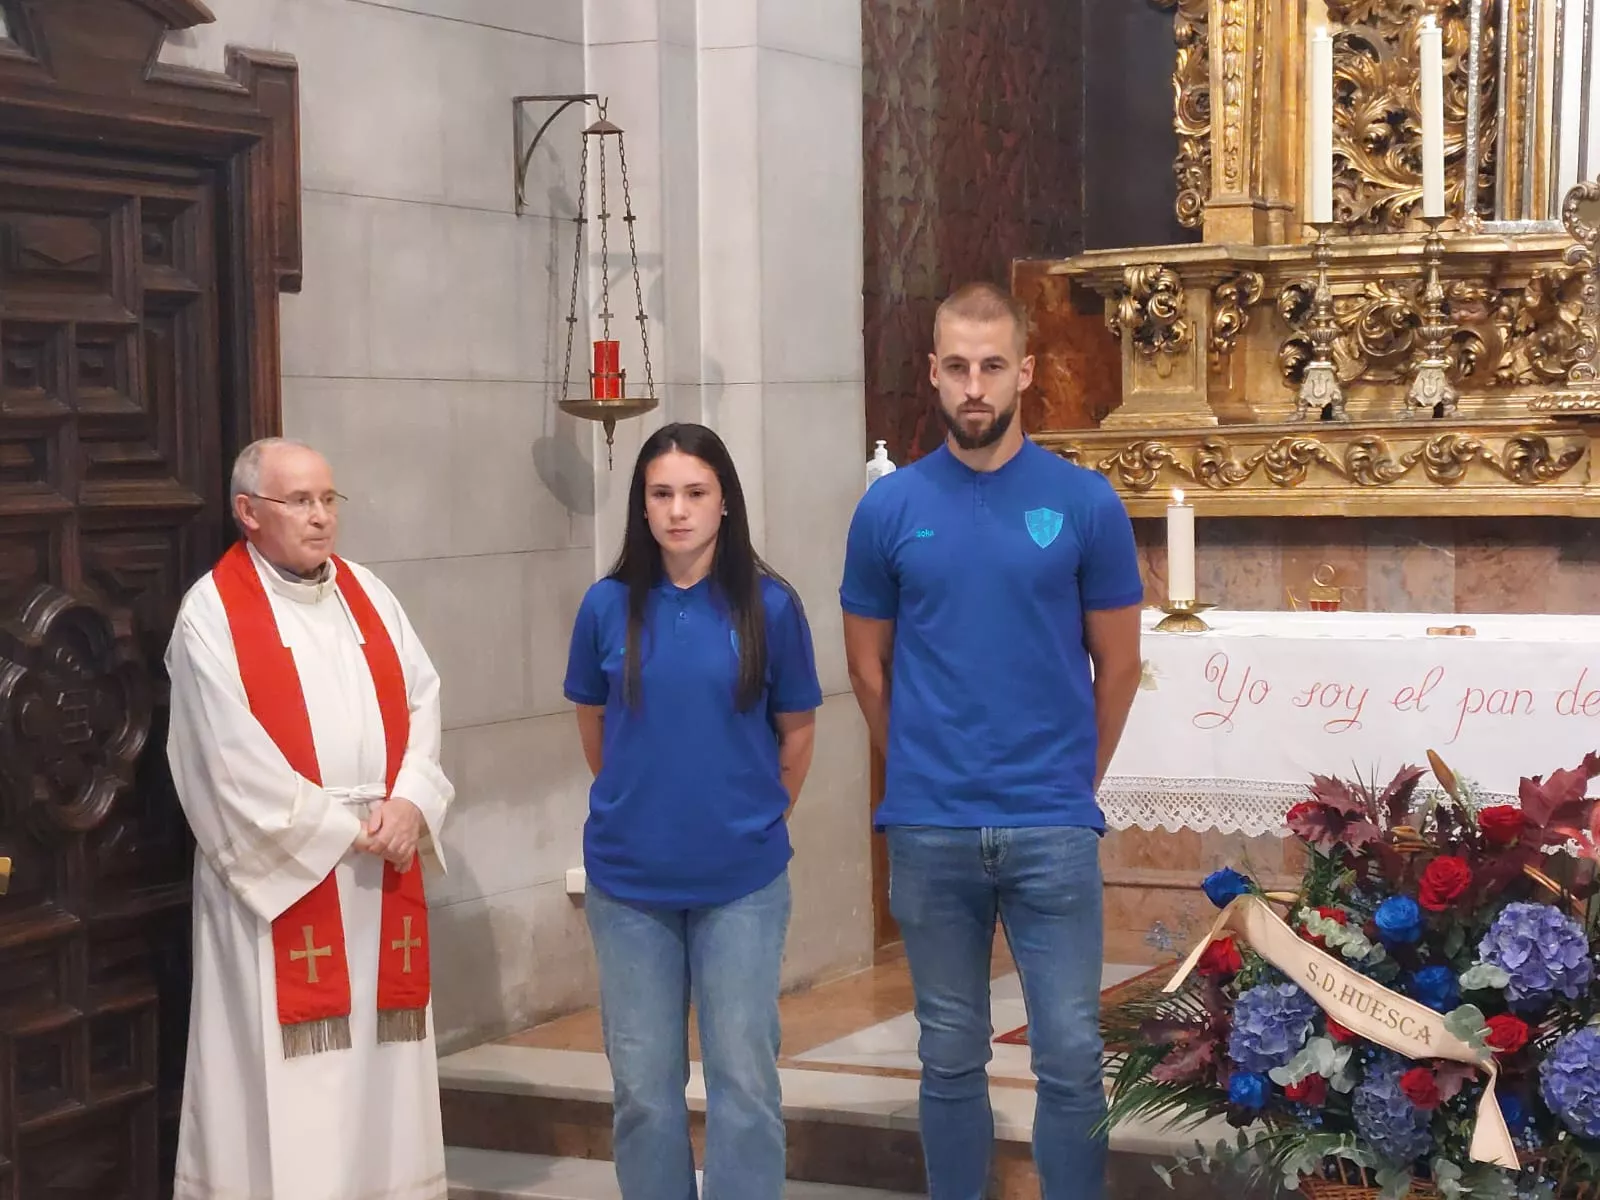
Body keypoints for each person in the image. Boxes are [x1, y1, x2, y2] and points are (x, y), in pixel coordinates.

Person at [839, 282, 1145, 1200]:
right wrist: (919, 765)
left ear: (1026, 373)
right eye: (958, 367)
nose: (975, 387)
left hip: (1050, 824)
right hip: (931, 826)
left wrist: (1074, 779)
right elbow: (866, 669)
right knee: (948, 1054)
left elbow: (1118, 665)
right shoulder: (888, 510)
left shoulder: (1084, 502)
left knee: (1072, 1054)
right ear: (933, 373)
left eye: (993, 366)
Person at [165, 437, 454, 1200]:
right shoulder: (212, 615)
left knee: (382, 1078)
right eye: (300, 501)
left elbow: (423, 698)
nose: (322, 517)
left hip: (381, 868)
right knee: (288, 1089)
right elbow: (224, 757)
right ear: (248, 512)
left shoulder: (368, 593)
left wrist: (410, 801)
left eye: (329, 499)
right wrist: (341, 830)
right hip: (284, 882)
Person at [563, 422, 822, 1200]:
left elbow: (797, 733)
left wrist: (750, 816)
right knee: (644, 1087)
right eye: (661, 494)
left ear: (725, 503)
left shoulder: (770, 607)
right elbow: (595, 726)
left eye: (695, 493)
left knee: (743, 1080)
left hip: (740, 881)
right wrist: (645, 803)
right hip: (629, 883)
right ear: (641, 507)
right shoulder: (606, 607)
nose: (678, 510)